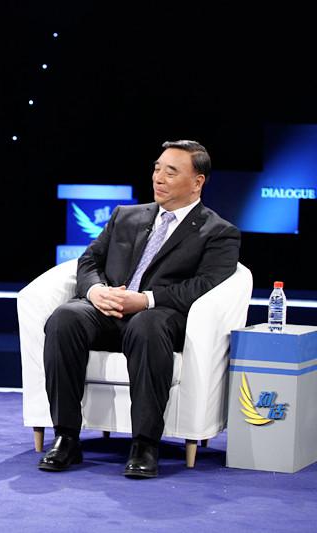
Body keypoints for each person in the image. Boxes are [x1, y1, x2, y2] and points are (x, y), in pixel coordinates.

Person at [38, 140, 240, 478]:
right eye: (157, 169)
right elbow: (89, 261)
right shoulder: (125, 216)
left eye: (170, 172)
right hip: (108, 310)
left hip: (160, 318)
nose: (158, 177)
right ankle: (66, 437)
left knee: (146, 325)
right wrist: (96, 292)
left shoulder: (218, 232)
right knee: (64, 318)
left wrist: (145, 300)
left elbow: (205, 285)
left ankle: (145, 444)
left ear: (197, 182)